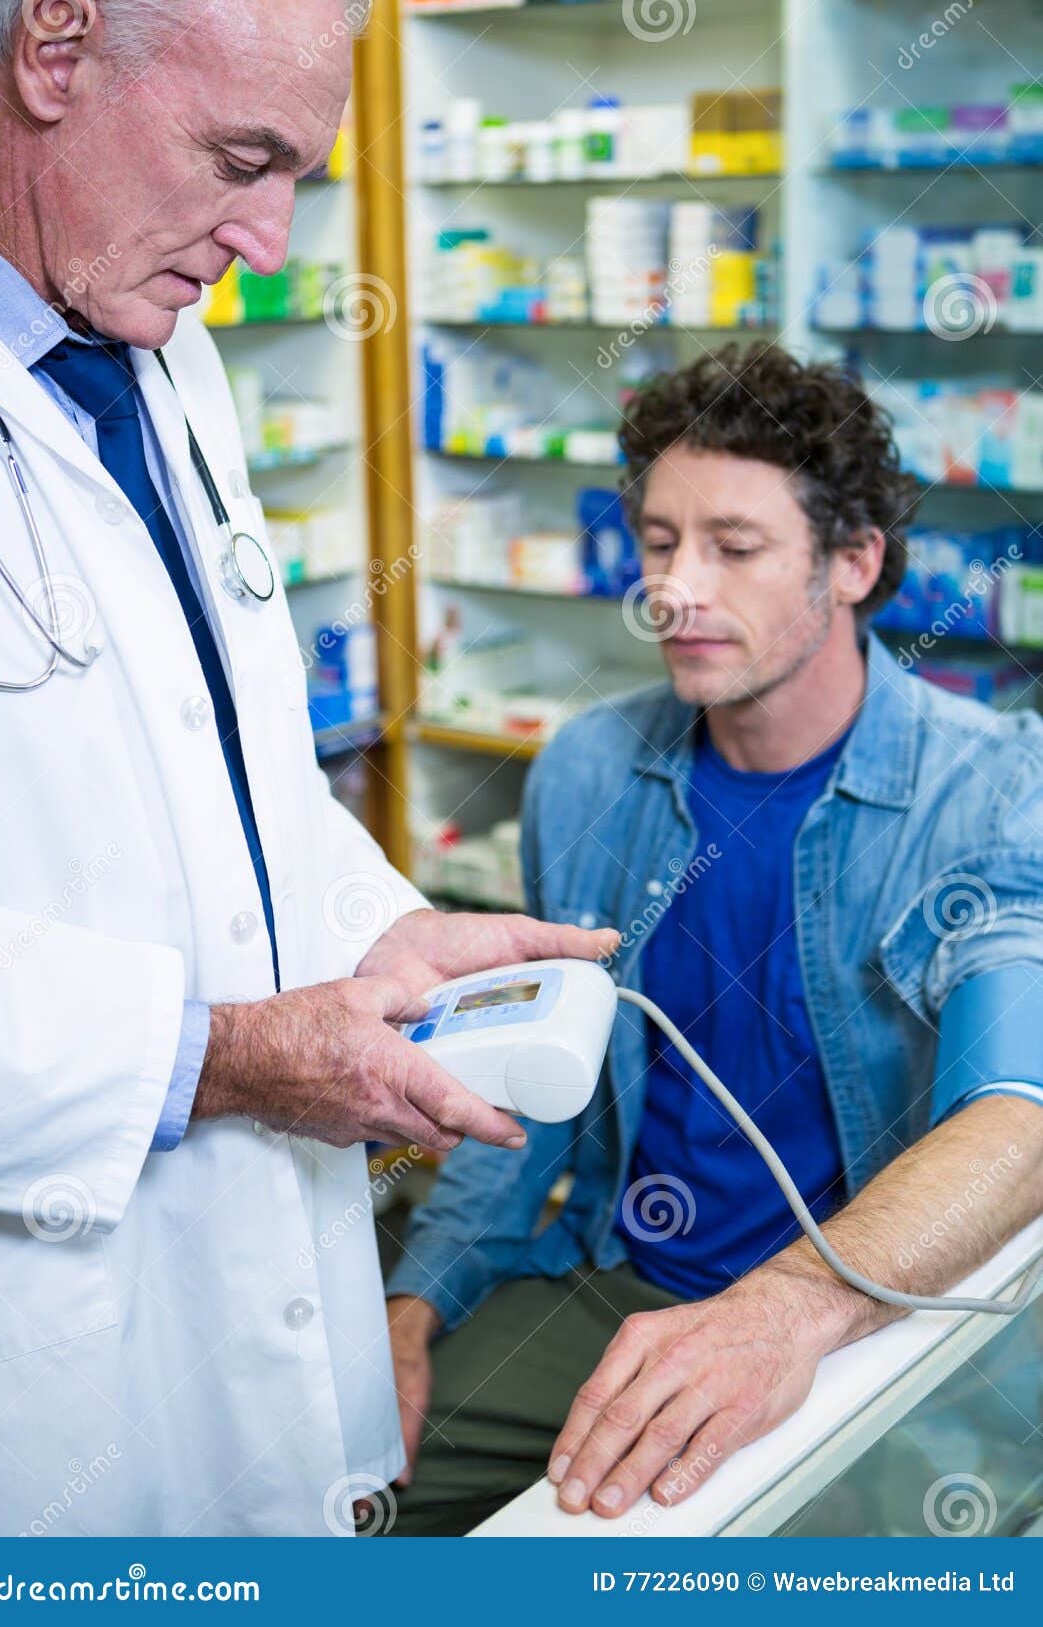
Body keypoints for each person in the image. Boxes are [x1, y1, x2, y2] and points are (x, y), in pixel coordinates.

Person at [0, 0, 616, 1538]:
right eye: (238, 160)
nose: (263, 244)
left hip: (250, 1290)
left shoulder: (164, 355)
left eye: (294, 178)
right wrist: (217, 1055)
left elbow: (236, 772)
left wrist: (376, 925)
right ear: (54, 50)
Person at [385, 342, 1043, 1533]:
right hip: (618, 1295)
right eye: (655, 543)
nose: (672, 590)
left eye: (733, 550)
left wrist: (784, 1311)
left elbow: (1018, 1114)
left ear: (852, 564)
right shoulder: (588, 769)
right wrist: (414, 1306)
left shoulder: (992, 789)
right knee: (350, 1502)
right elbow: (530, 1104)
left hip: (863, 1314)